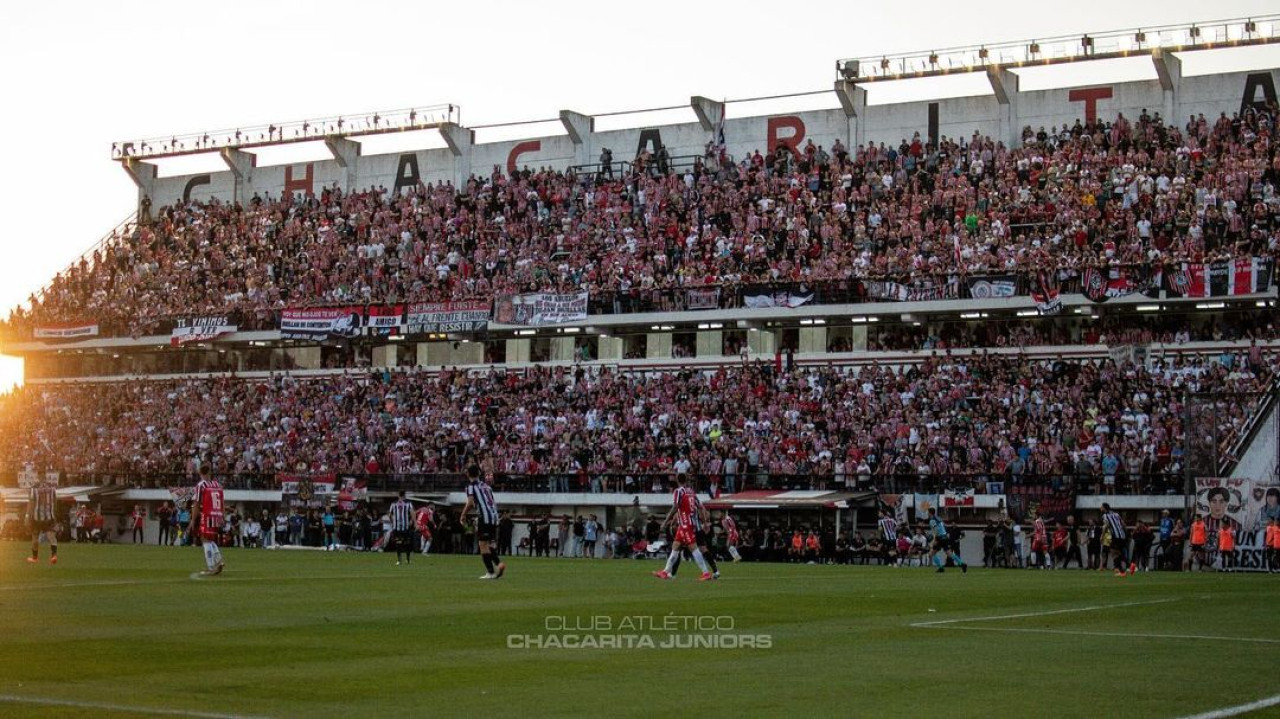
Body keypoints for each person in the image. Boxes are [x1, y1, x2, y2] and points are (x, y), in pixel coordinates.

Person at [652, 474, 712, 581]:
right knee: (675, 547)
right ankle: (665, 571)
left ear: (677, 480)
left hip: (686, 524)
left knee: (693, 547)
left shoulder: (678, 491)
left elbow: (675, 507)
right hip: (685, 524)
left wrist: (665, 521)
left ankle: (706, 572)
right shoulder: (691, 492)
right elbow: (700, 507)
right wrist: (705, 522)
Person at [461, 466, 505, 579]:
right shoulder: (487, 486)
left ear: (467, 474)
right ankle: (499, 564)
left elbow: (470, 502)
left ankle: (491, 572)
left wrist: (463, 514)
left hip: (484, 518)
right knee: (487, 544)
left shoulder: (470, 486)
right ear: (479, 473)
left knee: (482, 545)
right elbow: (492, 503)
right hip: (493, 517)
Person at [190, 466, 225, 576]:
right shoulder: (217, 485)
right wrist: (222, 516)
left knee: (204, 539)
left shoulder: (201, 485)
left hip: (207, 514)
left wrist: (193, 519)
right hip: (217, 515)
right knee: (210, 539)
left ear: (200, 473)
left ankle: (210, 567)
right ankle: (219, 561)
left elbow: (196, 503)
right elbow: (222, 502)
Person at [26, 478, 59, 565]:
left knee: (35, 537)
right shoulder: (52, 488)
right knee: (51, 536)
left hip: (37, 518)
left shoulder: (34, 488)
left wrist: (28, 517)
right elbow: (55, 503)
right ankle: (54, 555)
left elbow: (31, 503)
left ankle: (35, 558)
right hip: (49, 517)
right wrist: (54, 515)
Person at [927, 508, 967, 574]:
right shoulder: (938, 518)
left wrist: (934, 541)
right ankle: (962, 564)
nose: (927, 513)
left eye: (927, 512)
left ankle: (940, 568)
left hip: (940, 538)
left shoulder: (932, 520)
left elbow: (936, 531)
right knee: (949, 553)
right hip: (944, 537)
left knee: (931, 553)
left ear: (930, 513)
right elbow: (944, 526)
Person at [1101, 503, 1131, 576]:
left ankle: (1125, 567)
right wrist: (1126, 534)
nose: (1100, 508)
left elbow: (1106, 526)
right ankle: (1122, 569)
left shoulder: (1105, 516)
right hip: (1122, 536)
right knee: (1118, 553)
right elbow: (1123, 524)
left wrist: (1102, 535)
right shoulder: (1116, 514)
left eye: (1101, 507)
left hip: (1115, 536)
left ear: (1104, 508)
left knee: (1113, 552)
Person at [388, 491, 415, 565]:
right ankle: (407, 559)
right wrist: (412, 521)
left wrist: (392, 522)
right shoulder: (408, 503)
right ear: (404, 496)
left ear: (398, 495)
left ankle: (399, 560)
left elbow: (390, 515)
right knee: (407, 543)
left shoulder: (393, 504)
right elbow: (413, 513)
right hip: (405, 527)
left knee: (398, 543)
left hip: (396, 528)